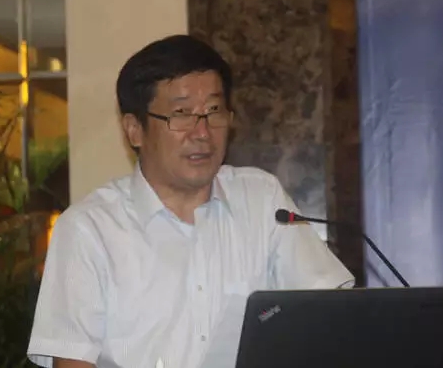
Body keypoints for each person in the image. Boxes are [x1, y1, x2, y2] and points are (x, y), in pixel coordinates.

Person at [27, 35, 354, 368]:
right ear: (134, 130)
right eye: (181, 114)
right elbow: (73, 361)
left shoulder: (262, 200)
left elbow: (329, 314)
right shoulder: (89, 229)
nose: (202, 133)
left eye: (214, 111)